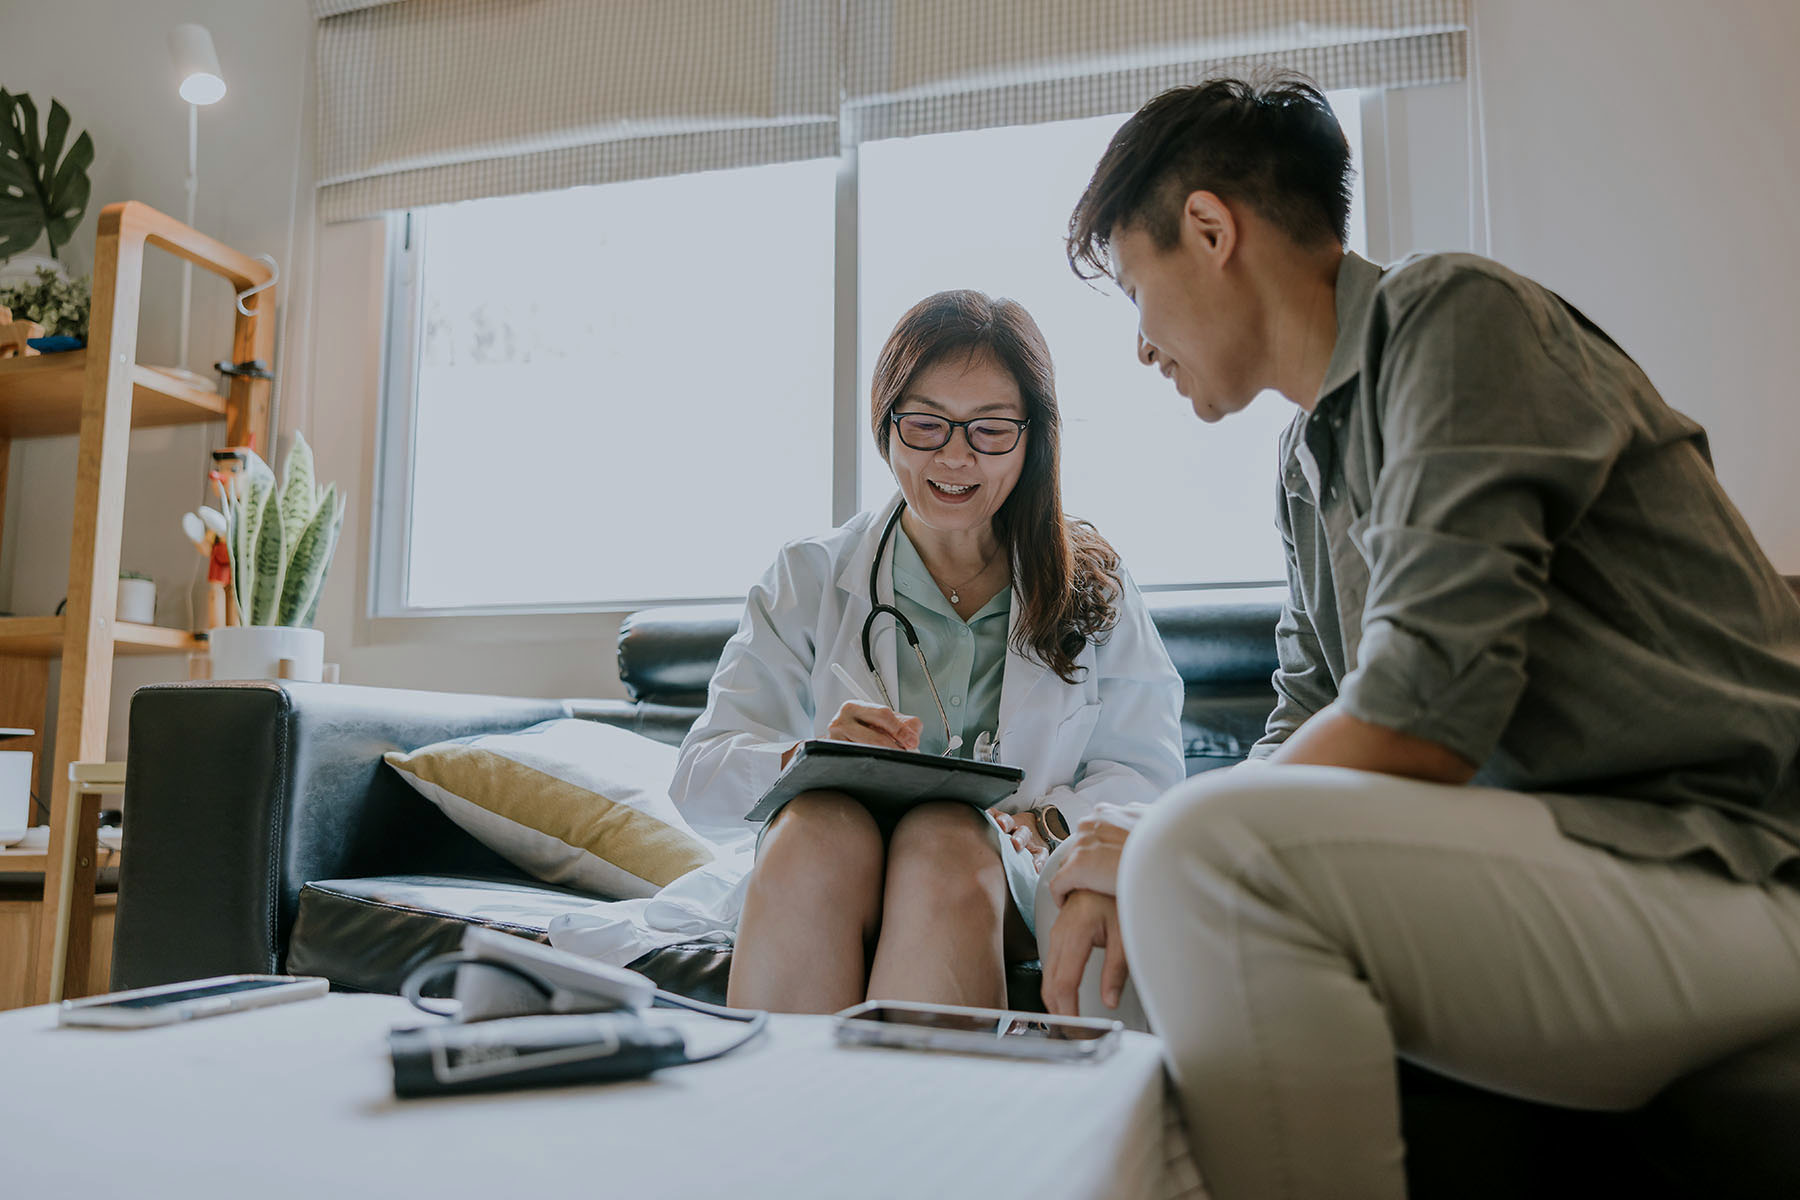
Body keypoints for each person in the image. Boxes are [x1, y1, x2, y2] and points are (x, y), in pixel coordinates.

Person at [1037, 75, 1800, 1200]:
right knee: (1139, 901)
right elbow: (1299, 728)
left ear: (1210, 230)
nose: (1143, 347)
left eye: (1137, 292)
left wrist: (1161, 843)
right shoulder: (1306, 466)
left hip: (1726, 862)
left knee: (1199, 861)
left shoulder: (1454, 314)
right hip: (1571, 860)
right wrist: (1120, 852)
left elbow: (1422, 710)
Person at [671, 289, 1185, 1014]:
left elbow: (1150, 774)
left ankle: (915, 1122)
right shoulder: (810, 576)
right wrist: (806, 756)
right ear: (886, 426)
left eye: (989, 430)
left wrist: (1047, 821)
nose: (954, 456)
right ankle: (775, 1120)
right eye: (926, 425)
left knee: (945, 836)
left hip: (1004, 876)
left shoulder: (1092, 582)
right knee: (815, 828)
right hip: (834, 862)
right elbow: (698, 778)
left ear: (1033, 436)